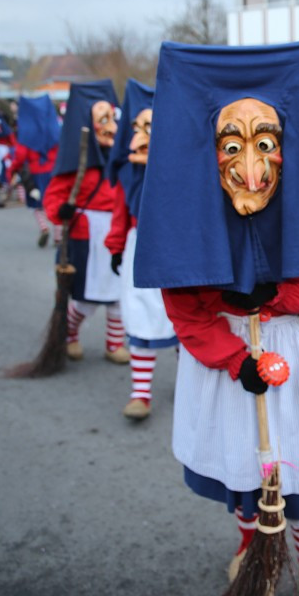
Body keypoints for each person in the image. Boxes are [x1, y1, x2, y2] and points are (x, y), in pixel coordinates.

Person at [133, 38, 299, 596]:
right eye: (232, 147)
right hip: (226, 360)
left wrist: (278, 296)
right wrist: (235, 358)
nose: (253, 171)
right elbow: (186, 311)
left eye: (267, 145)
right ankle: (252, 547)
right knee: (244, 468)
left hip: (286, 348)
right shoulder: (192, 206)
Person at [104, 79, 178, 421]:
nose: (142, 135)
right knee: (141, 315)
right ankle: (141, 393)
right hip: (139, 247)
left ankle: (189, 384)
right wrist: (116, 247)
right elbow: (120, 213)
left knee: (185, 319)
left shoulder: (183, 169)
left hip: (178, 248)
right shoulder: (128, 173)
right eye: (136, 127)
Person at [43, 80, 128, 366]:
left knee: (118, 295)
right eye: (102, 120)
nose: (110, 127)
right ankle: (70, 335)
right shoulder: (75, 162)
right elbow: (53, 196)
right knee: (87, 298)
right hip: (87, 237)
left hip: (118, 233)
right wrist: (62, 212)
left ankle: (114, 343)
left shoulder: (124, 160)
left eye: (112, 118)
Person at [6, 94, 60, 248]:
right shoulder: (55, 129)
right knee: (56, 204)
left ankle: (43, 227)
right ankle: (58, 236)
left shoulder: (27, 134)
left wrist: (12, 171)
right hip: (54, 173)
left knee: (37, 204)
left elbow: (20, 156)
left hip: (36, 174)